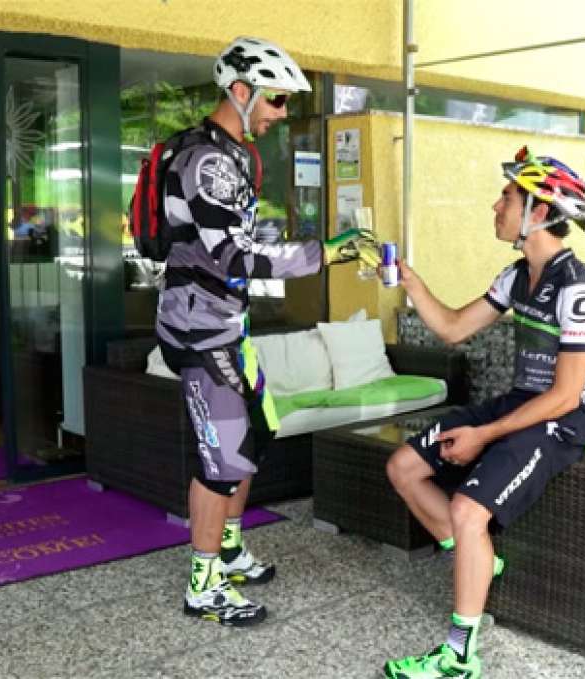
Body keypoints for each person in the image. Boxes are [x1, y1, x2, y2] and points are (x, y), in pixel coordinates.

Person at [155, 36, 378, 627]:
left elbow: (238, 248)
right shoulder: (205, 161)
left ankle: (227, 549)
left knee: (252, 437)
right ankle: (203, 587)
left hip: (228, 325)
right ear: (241, 91)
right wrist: (323, 253)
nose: (282, 115)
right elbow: (232, 256)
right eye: (277, 101)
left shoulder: (231, 156)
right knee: (220, 461)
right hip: (200, 331)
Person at [382, 147, 585, 678]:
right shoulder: (515, 276)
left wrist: (483, 435)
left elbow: (567, 396)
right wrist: (411, 284)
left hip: (557, 422)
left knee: (466, 511)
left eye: (507, 197)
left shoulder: (579, 291)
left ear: (538, 211)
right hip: (518, 404)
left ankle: (459, 657)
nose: (496, 205)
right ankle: (478, 557)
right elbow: (455, 328)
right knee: (403, 467)